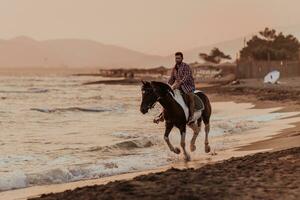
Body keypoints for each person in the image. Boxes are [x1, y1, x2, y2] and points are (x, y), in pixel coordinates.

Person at [154, 52, 196, 124]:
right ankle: (161, 116)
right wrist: (166, 86)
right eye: (176, 58)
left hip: (188, 86)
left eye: (179, 58)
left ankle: (191, 117)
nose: (177, 59)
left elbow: (186, 77)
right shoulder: (174, 68)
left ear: (182, 58)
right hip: (177, 86)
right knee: (168, 98)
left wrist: (179, 83)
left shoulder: (186, 66)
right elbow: (171, 79)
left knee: (191, 99)